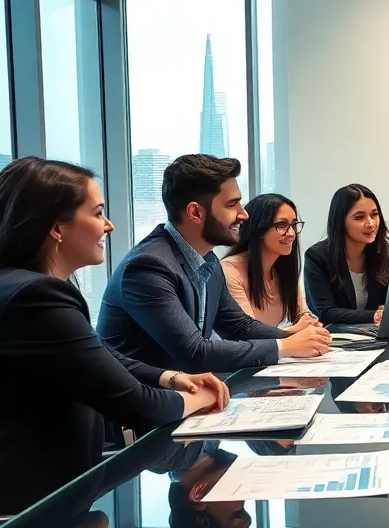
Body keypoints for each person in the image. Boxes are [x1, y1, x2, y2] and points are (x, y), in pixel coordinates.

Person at [0, 158, 226, 528]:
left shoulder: (10, 287)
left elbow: (96, 356)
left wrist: (169, 377)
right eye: (98, 212)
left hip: (26, 499)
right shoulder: (31, 298)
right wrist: (199, 398)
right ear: (57, 227)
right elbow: (139, 407)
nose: (108, 225)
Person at [98, 155, 331, 372]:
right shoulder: (148, 267)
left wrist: (292, 337)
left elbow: (238, 326)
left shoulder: (207, 259)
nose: (243, 214)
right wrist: (285, 346)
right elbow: (194, 352)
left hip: (188, 390)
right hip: (145, 398)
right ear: (195, 213)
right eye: (232, 205)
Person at [221, 192, 318, 330]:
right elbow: (248, 332)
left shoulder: (283, 269)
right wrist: (295, 331)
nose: (291, 233)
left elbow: (303, 315)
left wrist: (312, 325)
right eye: (282, 225)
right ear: (259, 229)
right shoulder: (230, 271)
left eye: (293, 224)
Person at [304, 183, 389, 325]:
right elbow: (326, 312)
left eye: (374, 214)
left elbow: (388, 303)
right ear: (341, 222)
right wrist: (373, 316)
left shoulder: (385, 252)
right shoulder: (317, 257)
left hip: (374, 333)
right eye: (359, 217)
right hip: (335, 334)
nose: (371, 223)